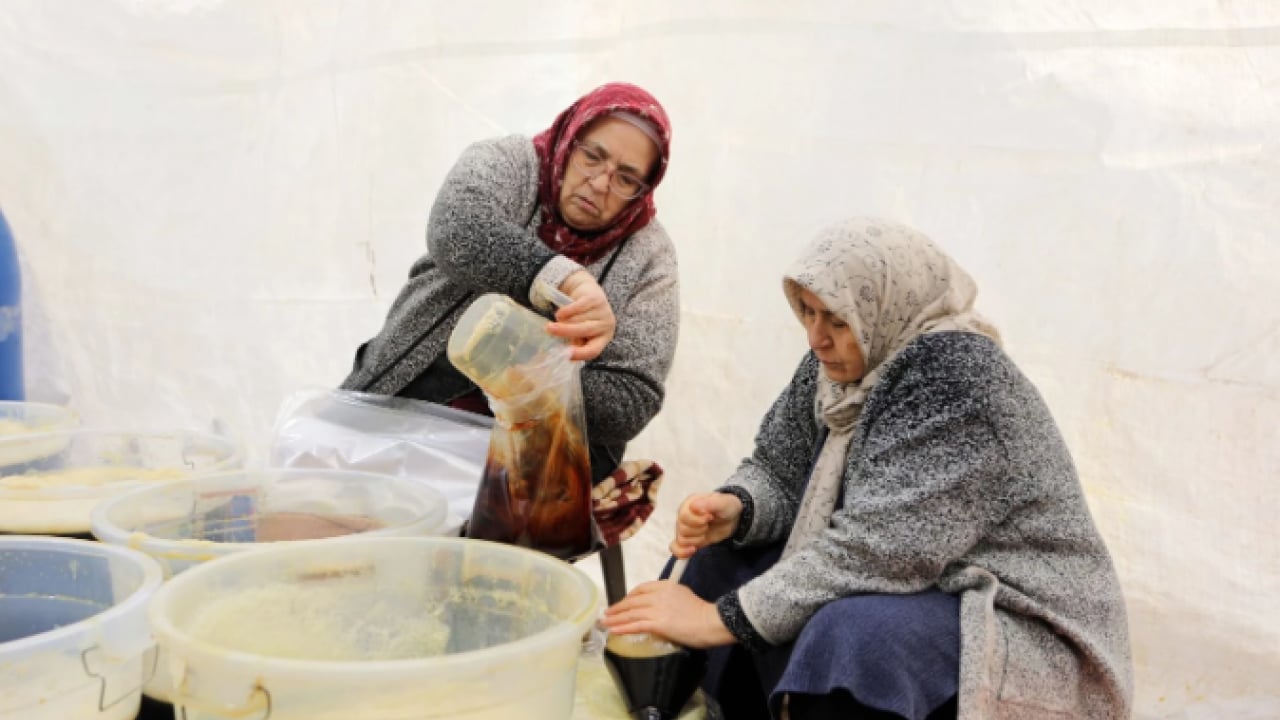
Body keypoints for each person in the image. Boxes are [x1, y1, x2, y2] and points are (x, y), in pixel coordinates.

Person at [603, 218, 1133, 719]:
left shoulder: (959, 377)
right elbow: (778, 468)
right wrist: (740, 507)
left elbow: (881, 550)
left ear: (887, 306)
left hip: (1011, 615)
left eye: (836, 319)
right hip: (916, 573)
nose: (816, 336)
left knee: (856, 636)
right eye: (808, 312)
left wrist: (713, 619)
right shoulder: (839, 362)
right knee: (724, 561)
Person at [342, 83, 678, 482]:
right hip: (416, 390)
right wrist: (563, 278)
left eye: (626, 179)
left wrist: (535, 379)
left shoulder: (650, 256)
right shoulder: (513, 163)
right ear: (570, 138)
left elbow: (633, 398)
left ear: (644, 190)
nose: (601, 183)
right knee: (335, 493)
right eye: (592, 156)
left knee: (476, 520)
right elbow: (456, 226)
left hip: (544, 454)